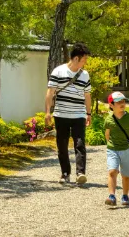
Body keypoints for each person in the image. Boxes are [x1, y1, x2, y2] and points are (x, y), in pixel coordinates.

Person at [45, 43, 92, 185]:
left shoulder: (85, 75)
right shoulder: (58, 71)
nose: (85, 63)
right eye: (84, 59)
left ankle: (80, 173)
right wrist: (48, 112)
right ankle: (65, 173)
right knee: (62, 144)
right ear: (76, 58)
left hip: (78, 115)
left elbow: (87, 95)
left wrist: (88, 113)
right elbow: (50, 93)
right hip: (61, 114)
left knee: (80, 144)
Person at [104, 91, 129, 207]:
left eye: (123, 101)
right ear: (111, 105)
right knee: (112, 171)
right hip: (113, 149)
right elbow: (107, 134)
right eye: (118, 102)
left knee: (126, 175)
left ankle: (125, 195)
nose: (122, 104)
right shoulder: (108, 119)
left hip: (127, 150)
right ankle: (111, 196)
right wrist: (109, 145)